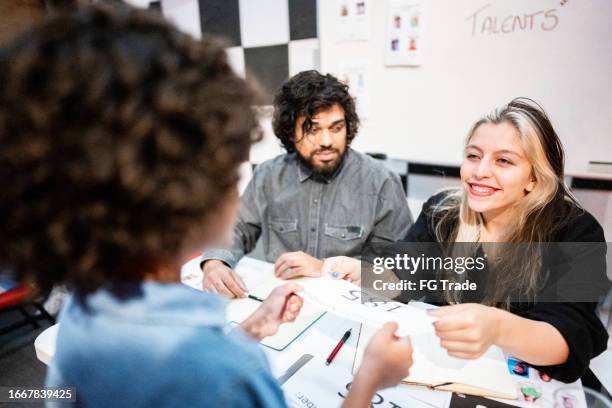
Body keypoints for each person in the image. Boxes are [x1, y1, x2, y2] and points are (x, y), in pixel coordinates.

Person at [0, 5, 413, 407]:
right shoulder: (230, 371)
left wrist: (256, 324)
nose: (326, 140)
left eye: (336, 128)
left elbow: (403, 278)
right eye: (227, 170)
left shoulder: (80, 313)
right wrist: (370, 378)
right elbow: (208, 373)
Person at [323, 98, 609, 383]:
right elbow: (402, 274)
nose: (480, 171)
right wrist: (363, 273)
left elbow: (568, 337)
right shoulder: (441, 212)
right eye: (473, 156)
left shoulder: (576, 232)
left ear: (533, 177)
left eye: (503, 160)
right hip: (446, 373)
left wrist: (496, 327)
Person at [201, 70, 412, 298]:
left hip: (350, 309)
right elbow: (238, 228)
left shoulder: (381, 181)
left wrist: (325, 269)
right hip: (279, 303)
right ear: (291, 132)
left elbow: (400, 272)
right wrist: (215, 262)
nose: (327, 141)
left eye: (336, 128)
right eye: (312, 130)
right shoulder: (268, 176)